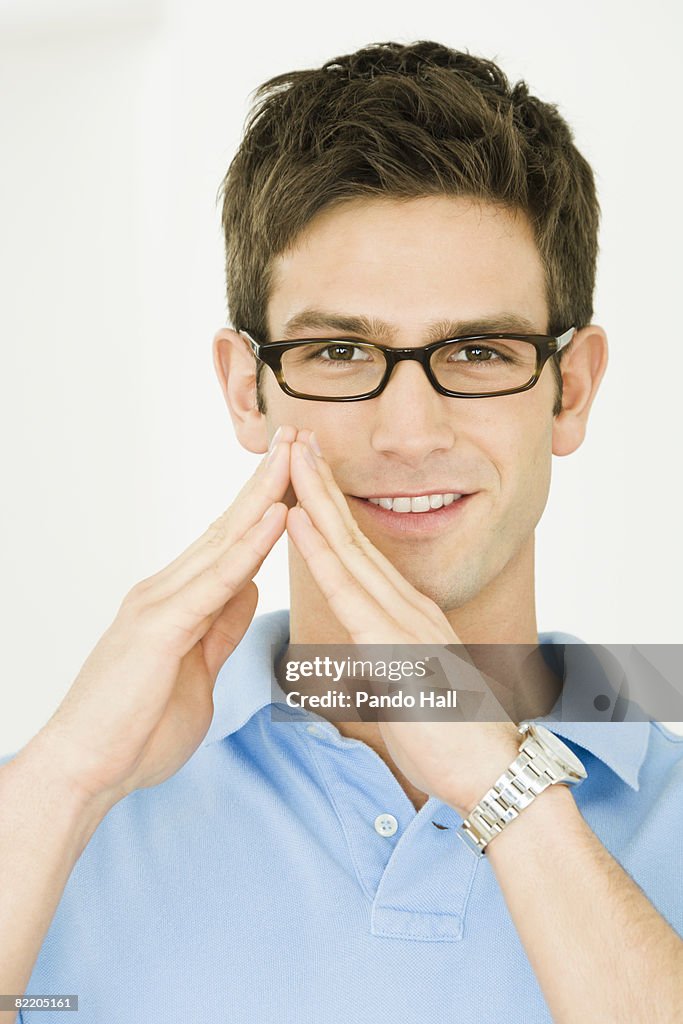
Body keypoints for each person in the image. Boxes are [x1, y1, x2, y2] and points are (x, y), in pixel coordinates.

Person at [1, 39, 682, 1024]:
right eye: (337, 349)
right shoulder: (62, 807)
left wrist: (505, 786)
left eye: (479, 350)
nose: (406, 433)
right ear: (247, 389)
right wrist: (60, 780)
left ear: (568, 391)